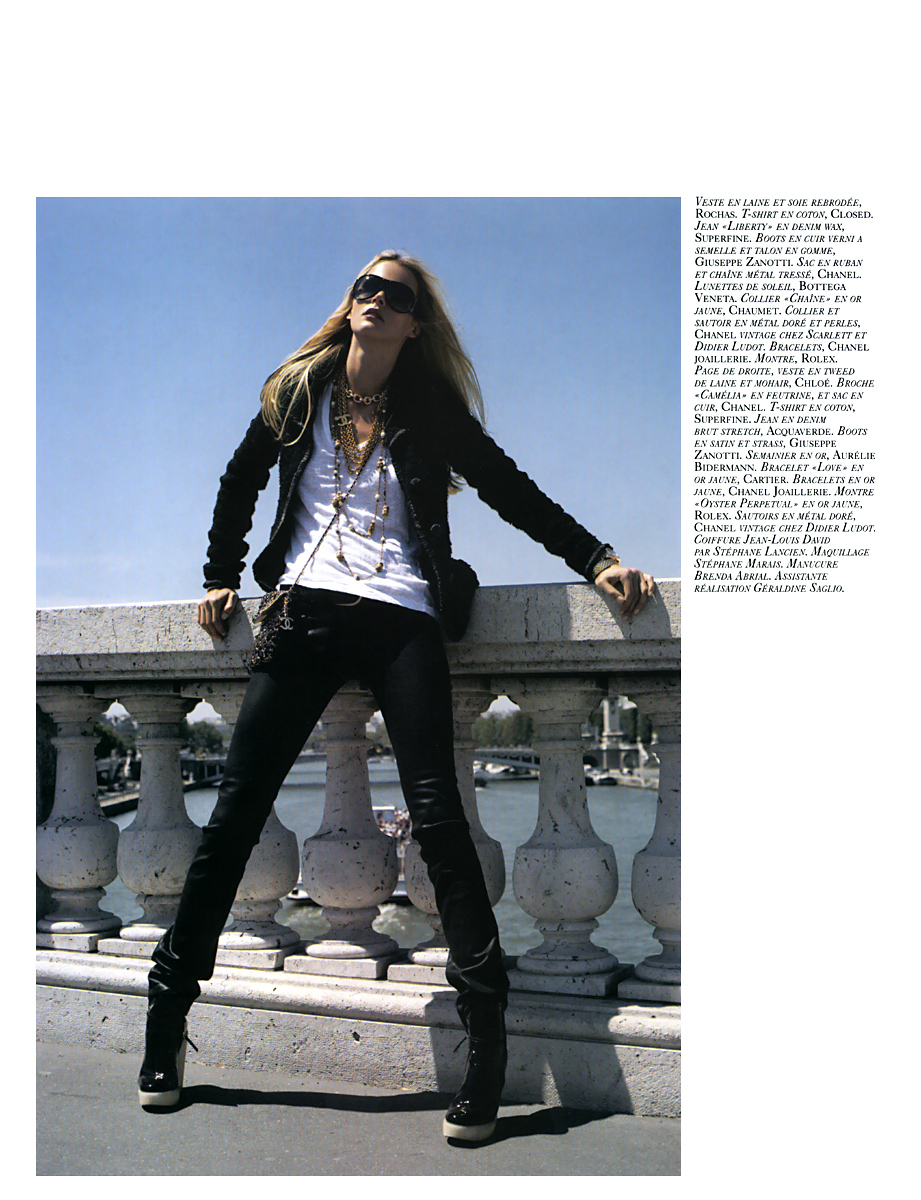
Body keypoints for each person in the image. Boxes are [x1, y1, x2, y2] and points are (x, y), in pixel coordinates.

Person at [138, 251, 655, 1141]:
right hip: (304, 612)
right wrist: (220, 573)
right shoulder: (297, 392)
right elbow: (239, 480)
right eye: (365, 287)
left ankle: (485, 1043)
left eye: (396, 295)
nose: (375, 299)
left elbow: (509, 489)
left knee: (440, 821)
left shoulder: (429, 408)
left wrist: (596, 558)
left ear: (415, 324)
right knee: (233, 816)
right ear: (350, 305)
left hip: (404, 617)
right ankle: (165, 1019)